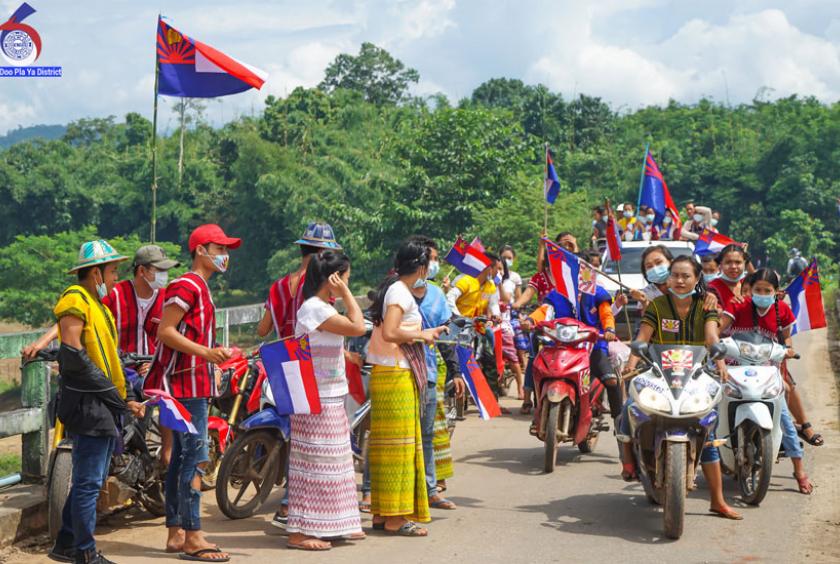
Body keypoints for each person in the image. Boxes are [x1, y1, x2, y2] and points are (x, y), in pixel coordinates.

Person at [144, 224, 240, 562]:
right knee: (195, 461)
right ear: (201, 250)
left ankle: (177, 532)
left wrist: (214, 353)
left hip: (193, 382)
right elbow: (165, 332)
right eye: (219, 249)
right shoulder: (187, 285)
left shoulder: (199, 287)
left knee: (182, 461)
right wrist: (206, 353)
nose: (224, 256)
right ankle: (194, 535)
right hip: (186, 385)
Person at [621, 256, 742, 520]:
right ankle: (628, 461)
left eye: (686, 276)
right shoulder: (657, 306)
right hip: (658, 373)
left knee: (707, 431)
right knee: (629, 406)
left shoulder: (706, 306)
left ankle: (717, 501)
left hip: (697, 375)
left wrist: (719, 360)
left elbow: (712, 337)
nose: (679, 280)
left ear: (697, 279)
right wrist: (630, 365)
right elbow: (642, 338)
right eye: (675, 275)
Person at [48, 240, 145, 564]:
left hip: (104, 404)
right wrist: (113, 396)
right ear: (95, 273)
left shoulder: (99, 307)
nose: (116, 278)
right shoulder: (74, 301)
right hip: (89, 405)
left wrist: (126, 397)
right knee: (89, 482)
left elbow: (111, 359)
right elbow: (74, 356)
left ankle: (66, 542)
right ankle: (85, 552)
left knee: (93, 478)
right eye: (113, 271)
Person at [256, 221, 341, 529]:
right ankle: (293, 504)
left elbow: (262, 330)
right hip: (310, 363)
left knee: (295, 433)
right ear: (323, 253)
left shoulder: (278, 285)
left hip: (280, 361)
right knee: (311, 440)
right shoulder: (320, 287)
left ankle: (290, 501)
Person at [285, 251, 367, 550]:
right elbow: (358, 326)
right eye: (346, 277)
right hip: (314, 397)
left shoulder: (320, 308)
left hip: (328, 394)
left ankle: (334, 523)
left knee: (333, 462)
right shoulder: (316, 309)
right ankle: (299, 531)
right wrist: (346, 294)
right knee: (313, 464)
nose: (348, 282)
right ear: (333, 279)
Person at [366, 239, 447, 536]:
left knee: (387, 449)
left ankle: (382, 512)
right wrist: (422, 336)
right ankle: (396, 517)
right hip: (396, 372)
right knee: (400, 449)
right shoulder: (401, 292)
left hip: (388, 372)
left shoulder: (393, 288)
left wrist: (424, 332)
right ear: (422, 266)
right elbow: (390, 332)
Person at [719, 269, 813, 494]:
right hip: (735, 368)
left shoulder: (783, 310)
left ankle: (799, 470)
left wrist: (788, 350)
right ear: (750, 289)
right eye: (757, 290)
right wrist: (714, 340)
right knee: (711, 410)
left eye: (767, 290)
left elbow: (786, 337)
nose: (761, 294)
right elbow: (719, 328)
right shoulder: (738, 305)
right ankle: (695, 462)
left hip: (767, 370)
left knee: (784, 419)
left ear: (776, 292)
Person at [406, 235, 462, 511]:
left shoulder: (437, 295)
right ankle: (371, 490)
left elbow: (446, 338)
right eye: (432, 259)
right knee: (393, 434)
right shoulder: (395, 292)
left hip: (427, 372)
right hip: (398, 373)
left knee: (426, 434)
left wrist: (456, 371)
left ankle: (429, 489)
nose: (434, 265)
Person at [498, 254, 525, 400]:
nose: (499, 272)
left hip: (504, 325)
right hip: (486, 325)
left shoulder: (506, 283)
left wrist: (498, 283)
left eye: (501, 269)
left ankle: (520, 387)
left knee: (512, 356)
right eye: (496, 269)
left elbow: (507, 299)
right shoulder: (485, 283)